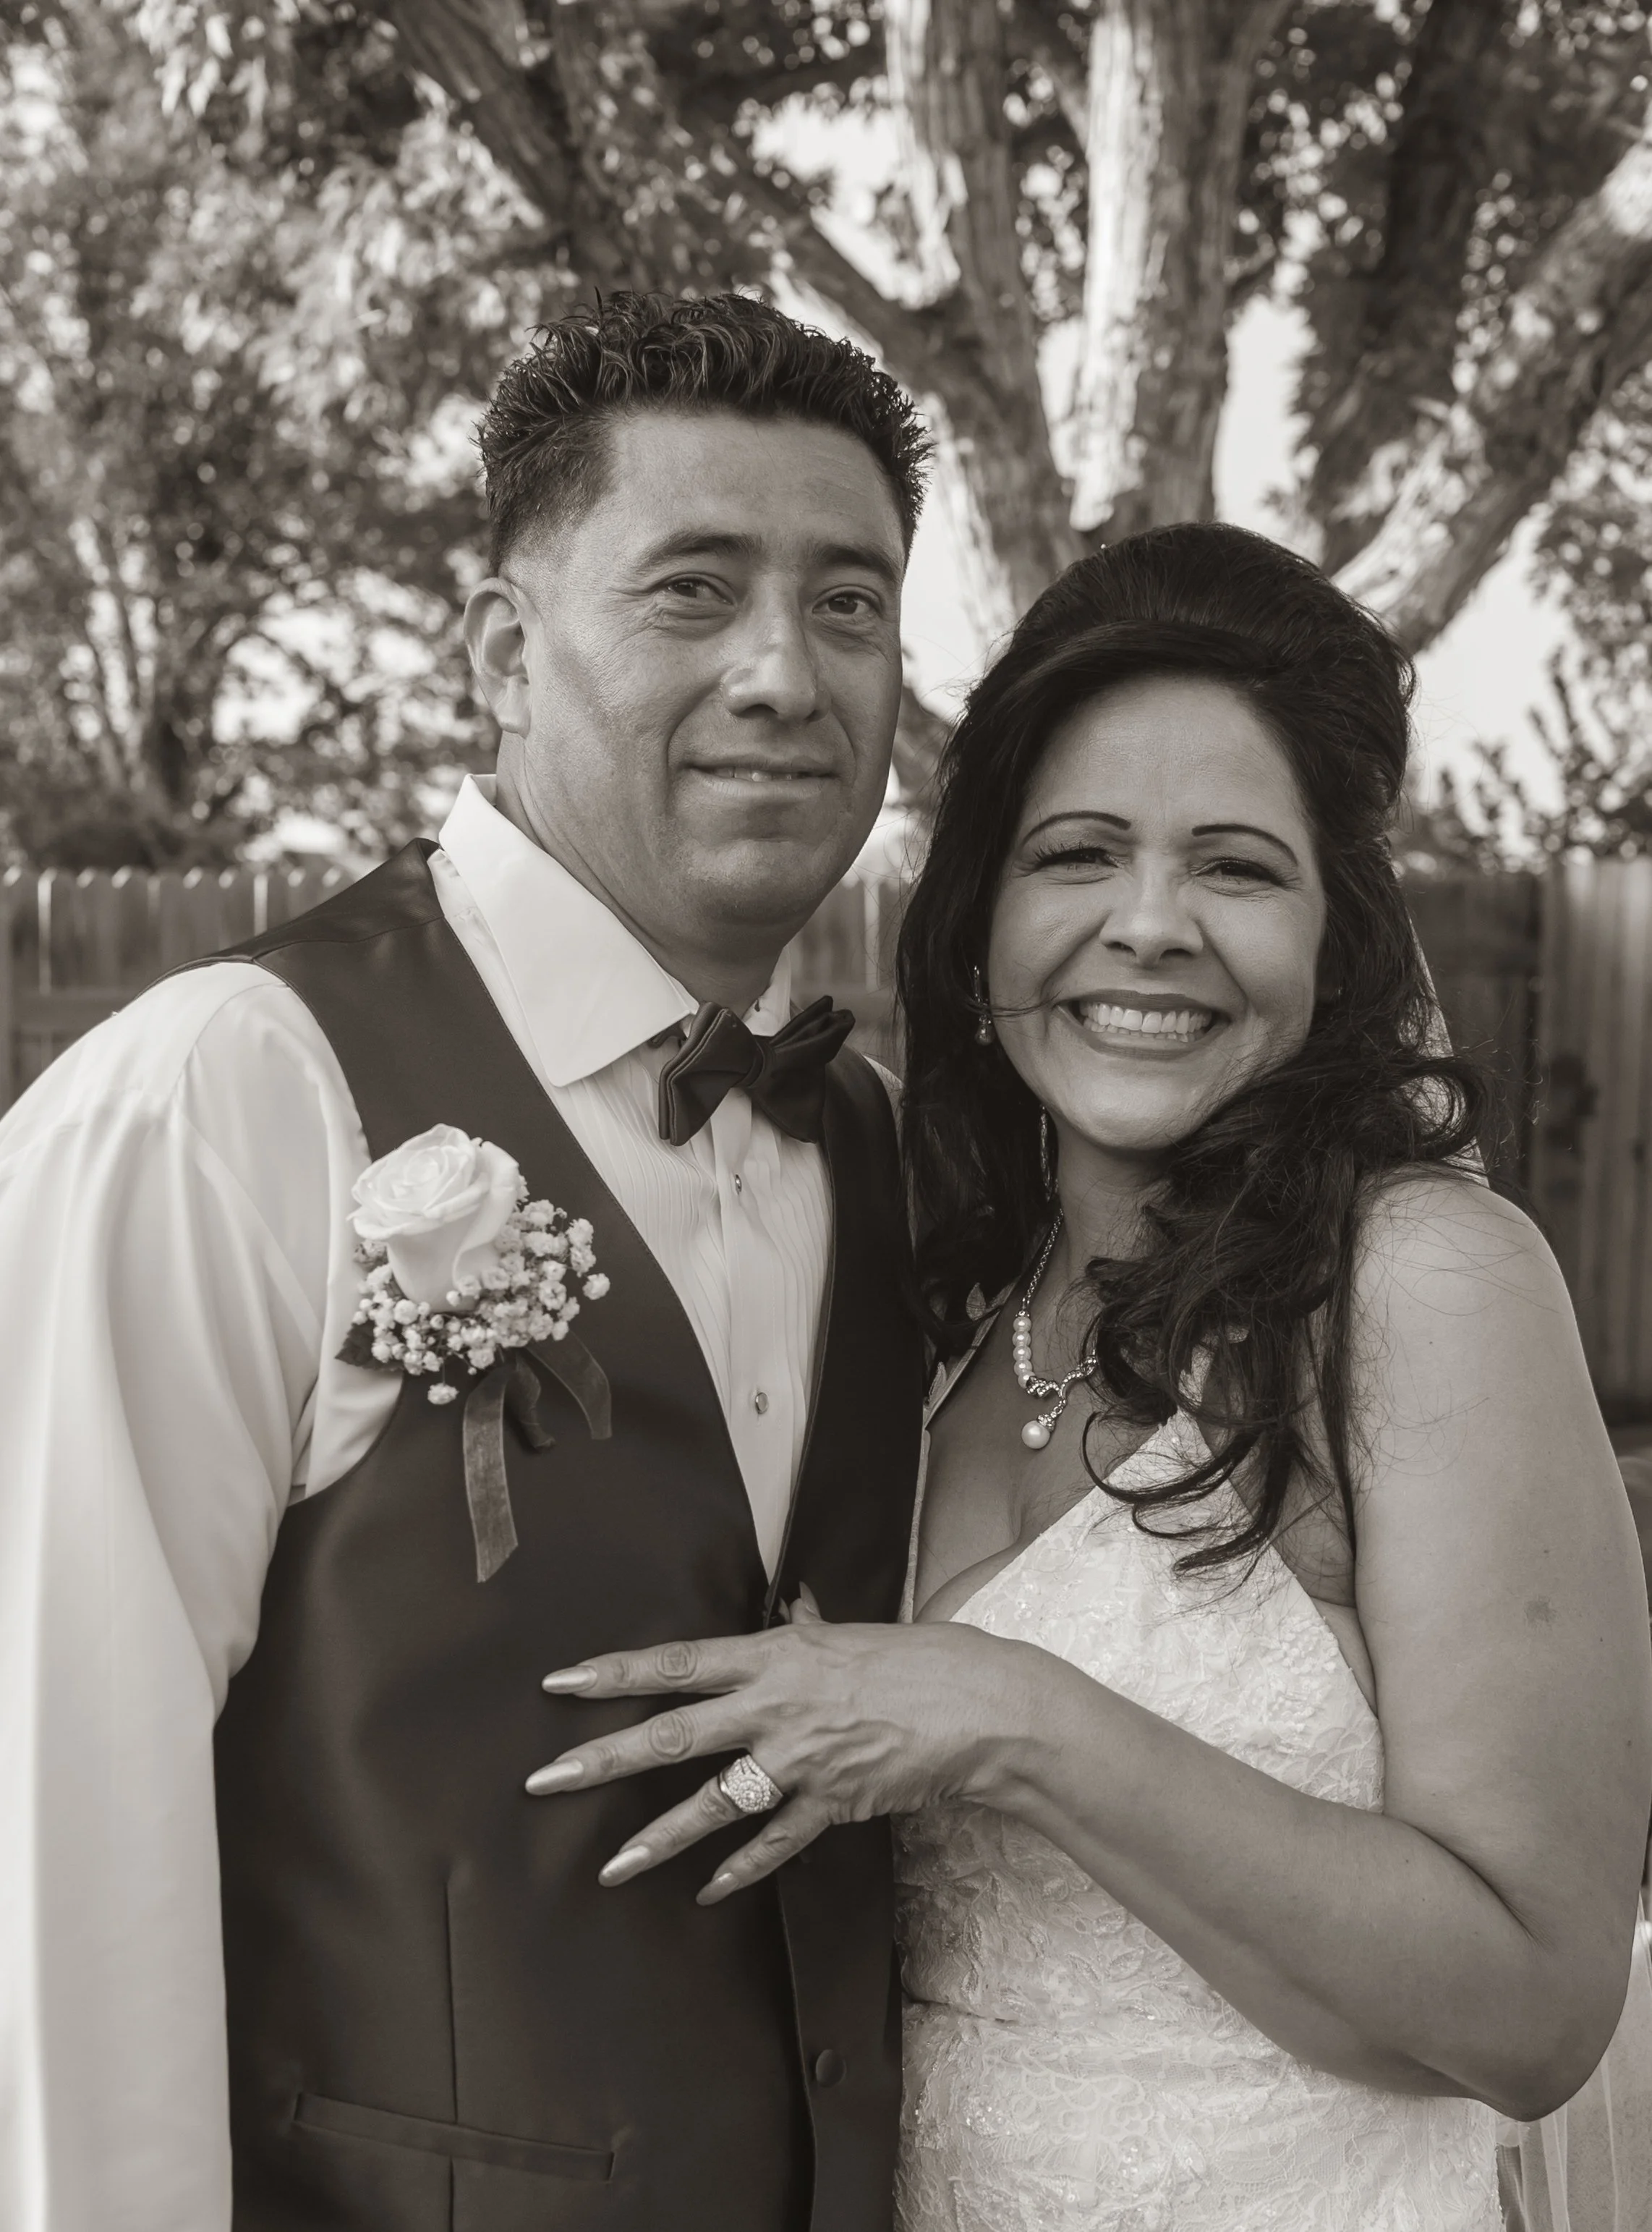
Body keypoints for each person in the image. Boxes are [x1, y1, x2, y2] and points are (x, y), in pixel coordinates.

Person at [520, 523, 1652, 2229]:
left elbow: (1534, 2009)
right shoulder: (935, 1292)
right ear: (980, 928)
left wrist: (1020, 1720)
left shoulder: (1419, 1282)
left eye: (1235, 869)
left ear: (1333, 939)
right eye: (1076, 855)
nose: (1148, 926)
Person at [0, 293, 932, 2231]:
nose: (784, 671)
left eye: (847, 604)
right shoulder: (225, 1096)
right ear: (503, 652)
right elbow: (53, 1822)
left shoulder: (875, 1143)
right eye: (694, 590)